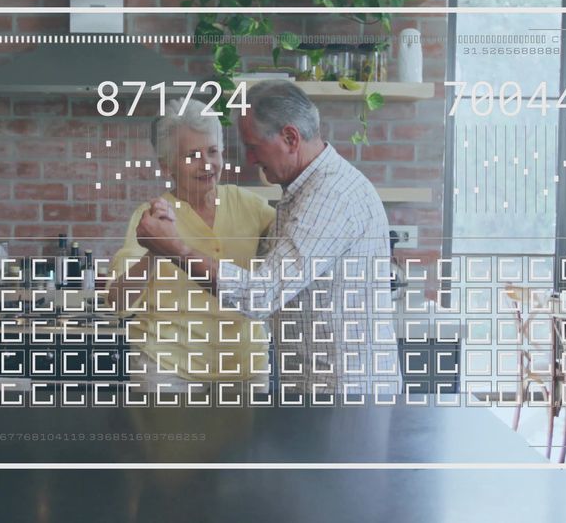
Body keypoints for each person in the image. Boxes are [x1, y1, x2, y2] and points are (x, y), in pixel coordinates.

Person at [135, 80, 401, 399]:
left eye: (253, 146)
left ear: (289, 138)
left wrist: (174, 249)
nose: (249, 160)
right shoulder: (301, 193)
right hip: (319, 390)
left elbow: (260, 296)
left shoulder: (330, 198)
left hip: (345, 395)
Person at [109, 97, 276, 393]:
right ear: (167, 166)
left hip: (245, 370)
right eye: (192, 156)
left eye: (212, 152)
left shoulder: (252, 207)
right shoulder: (151, 216)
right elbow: (117, 303)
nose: (207, 164)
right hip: (168, 371)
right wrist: (155, 251)